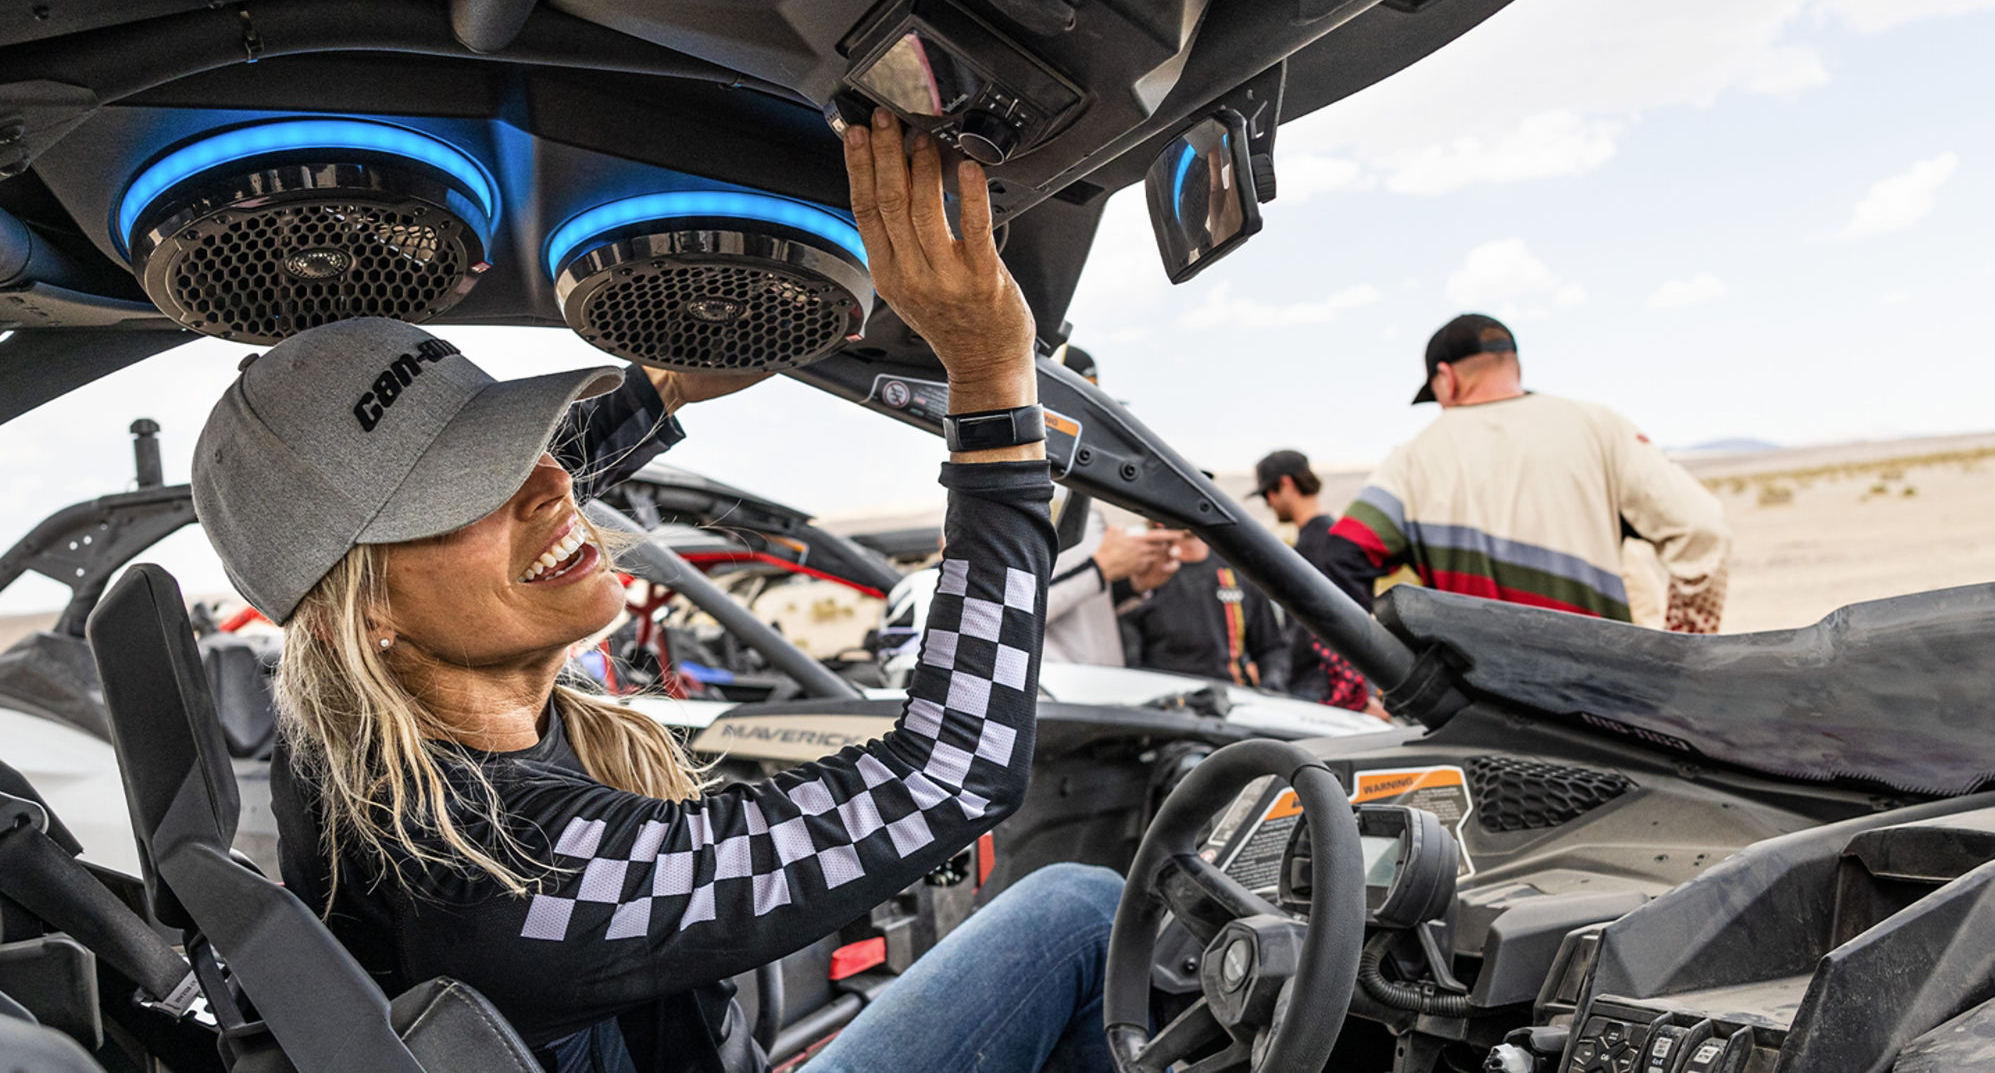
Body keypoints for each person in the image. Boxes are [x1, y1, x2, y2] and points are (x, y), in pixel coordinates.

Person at [191, 112, 1119, 1073]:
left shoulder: (347, 738)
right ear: (367, 612)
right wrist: (994, 385)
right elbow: (952, 769)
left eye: (519, 445)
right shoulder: (513, 869)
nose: (551, 485)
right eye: (470, 486)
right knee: (1084, 914)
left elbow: (494, 516)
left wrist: (671, 376)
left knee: (1075, 910)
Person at [1322, 313, 1730, 632]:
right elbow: (1703, 530)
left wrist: (1385, 668)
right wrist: (1681, 653)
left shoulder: (1413, 457)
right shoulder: (1599, 426)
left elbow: (1342, 556)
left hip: (1479, 705)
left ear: (1445, 379)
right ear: (1513, 365)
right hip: (1606, 698)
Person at [1044, 344, 1179, 666]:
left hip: (1092, 693)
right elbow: (1002, 612)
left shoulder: (1077, 490)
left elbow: (1075, 614)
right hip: (1046, 697)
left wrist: (1130, 583)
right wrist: (1100, 568)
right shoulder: (1004, 492)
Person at [1252, 450, 1384, 719]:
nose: (1268, 504)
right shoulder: (1334, 540)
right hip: (1337, 685)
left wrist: (1356, 699)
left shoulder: (1316, 547)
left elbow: (1340, 626)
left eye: (1268, 493)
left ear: (1286, 485)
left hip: (1325, 690)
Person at [1119, 530, 1291, 690]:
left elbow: (1271, 648)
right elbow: (1128, 664)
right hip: (1165, 705)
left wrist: (1271, 685)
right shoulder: (1140, 577)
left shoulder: (1237, 571)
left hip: (1230, 699)